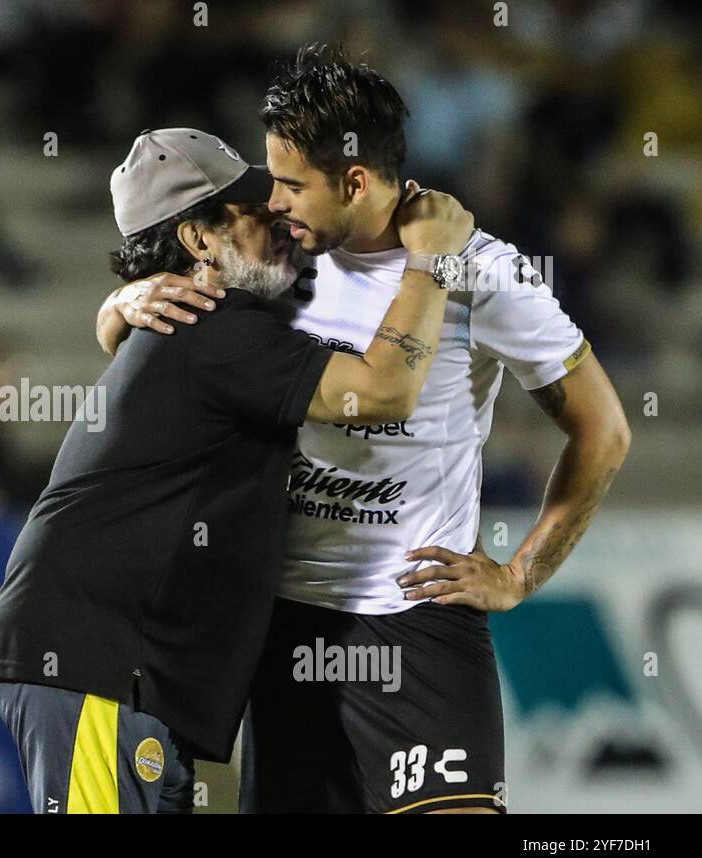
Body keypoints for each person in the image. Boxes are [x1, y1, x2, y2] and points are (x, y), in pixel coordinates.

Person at [97, 46, 632, 814]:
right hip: (286, 626)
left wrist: (520, 575)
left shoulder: (479, 269)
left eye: (291, 184)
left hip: (419, 625)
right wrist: (118, 306)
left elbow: (603, 430)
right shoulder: (279, 264)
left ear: (353, 181)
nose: (273, 201)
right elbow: (179, 353)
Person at [0, 127, 473, 814]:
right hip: (100, 662)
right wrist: (432, 261)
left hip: (121, 671)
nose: (281, 220)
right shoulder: (218, 328)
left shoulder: (198, 323)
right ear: (199, 239)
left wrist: (114, 307)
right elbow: (384, 389)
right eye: (253, 212)